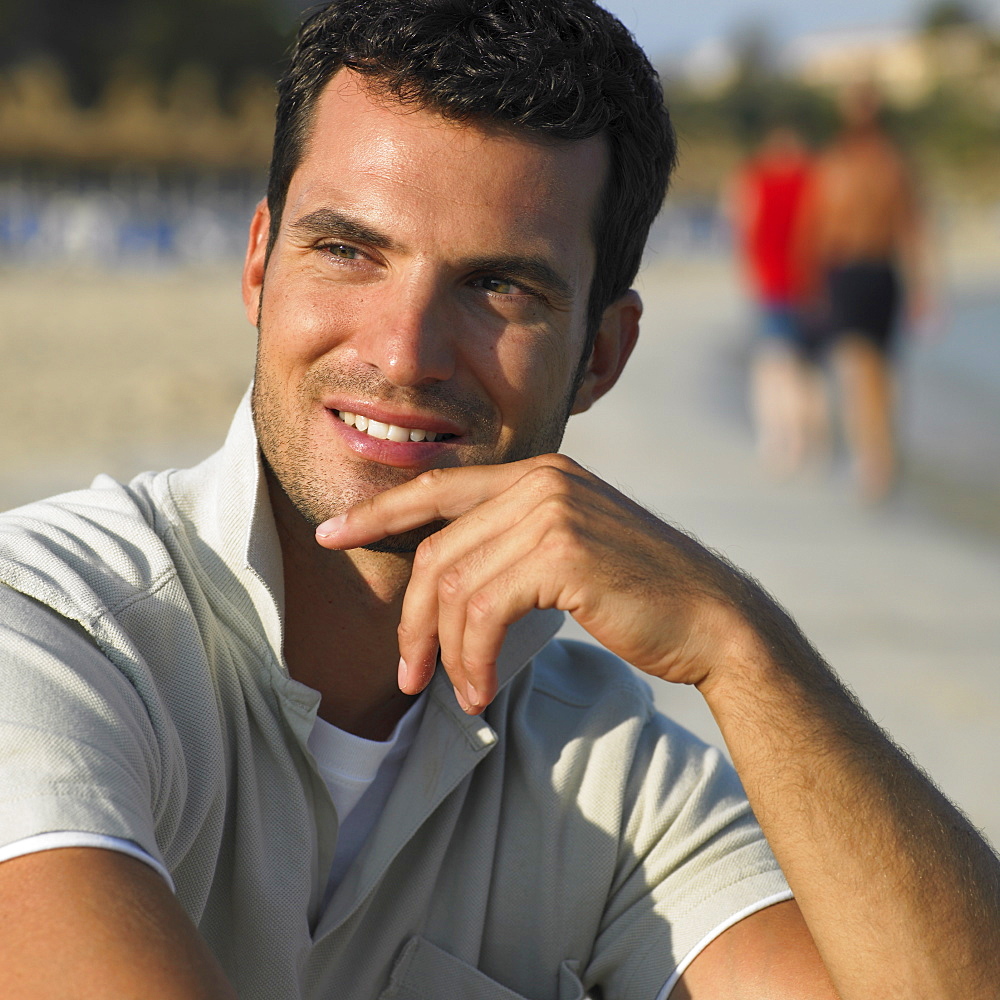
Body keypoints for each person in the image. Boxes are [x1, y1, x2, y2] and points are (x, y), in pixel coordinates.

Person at [0, 4, 996, 999]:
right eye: (349, 250)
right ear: (260, 264)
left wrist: (740, 643)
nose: (402, 353)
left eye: (498, 286)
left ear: (601, 353)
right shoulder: (51, 631)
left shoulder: (611, 777)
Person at [803, 80, 930, 501]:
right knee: (876, 369)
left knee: (864, 370)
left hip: (856, 272)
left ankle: (874, 459)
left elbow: (816, 227)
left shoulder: (836, 163)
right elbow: (911, 230)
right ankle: (880, 458)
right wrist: (921, 288)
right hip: (876, 272)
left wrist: (923, 288)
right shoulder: (894, 163)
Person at [728, 123, 829, 477]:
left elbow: (742, 223)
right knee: (810, 370)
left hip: (771, 284)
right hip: (813, 285)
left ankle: (779, 441)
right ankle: (812, 443)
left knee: (774, 367)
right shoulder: (816, 177)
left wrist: (747, 272)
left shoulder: (756, 176)